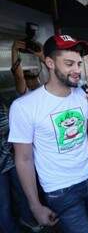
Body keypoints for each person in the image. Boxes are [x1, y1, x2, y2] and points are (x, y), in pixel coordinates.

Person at [8, 35, 88, 232]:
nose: (77, 70)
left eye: (78, 63)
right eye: (69, 63)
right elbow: (24, 159)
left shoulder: (82, 95)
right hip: (60, 190)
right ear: (50, 63)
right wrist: (34, 205)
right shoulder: (24, 106)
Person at [0, 99, 40, 233]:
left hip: (10, 158)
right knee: (3, 205)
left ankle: (27, 218)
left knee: (23, 190)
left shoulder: (2, 105)